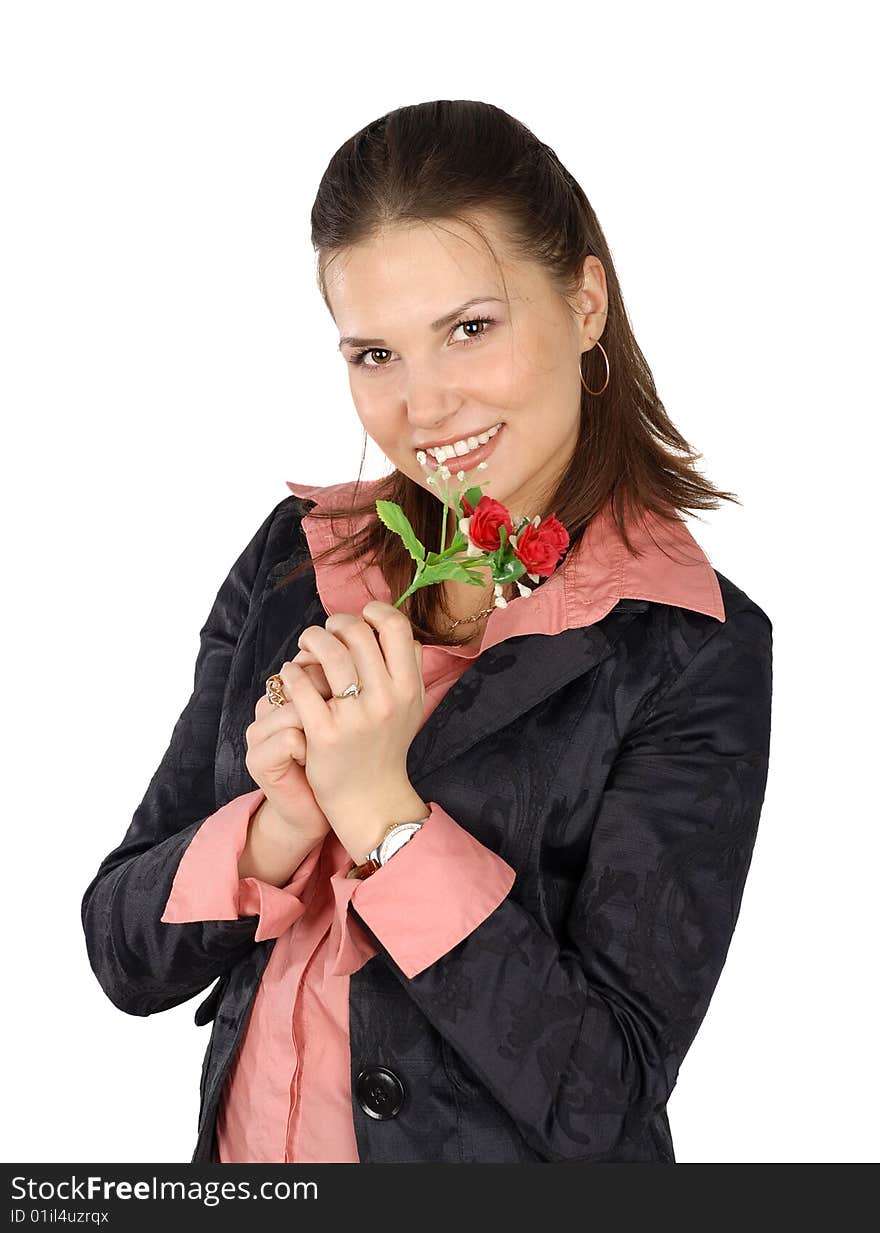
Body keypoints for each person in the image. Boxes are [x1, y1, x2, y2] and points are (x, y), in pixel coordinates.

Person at [80, 99, 773, 1165]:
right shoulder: (296, 559)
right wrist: (277, 830)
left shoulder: (687, 645)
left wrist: (382, 816)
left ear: (584, 301)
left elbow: (597, 1098)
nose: (425, 405)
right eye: (373, 353)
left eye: (470, 328)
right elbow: (124, 955)